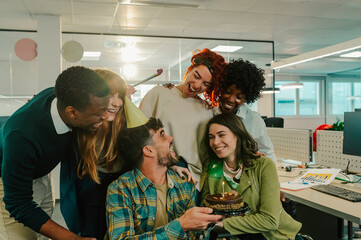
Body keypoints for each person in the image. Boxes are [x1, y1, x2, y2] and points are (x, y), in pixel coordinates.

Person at [61, 69, 195, 240]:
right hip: (91, 181)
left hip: (119, 175)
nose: (116, 103)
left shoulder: (123, 120)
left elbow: (150, 145)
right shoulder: (81, 125)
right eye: (110, 96)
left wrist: (172, 164)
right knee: (92, 232)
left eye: (120, 96)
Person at [0, 66, 110, 240]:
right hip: (7, 181)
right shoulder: (23, 137)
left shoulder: (61, 95)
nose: (106, 117)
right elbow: (18, 203)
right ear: (72, 112)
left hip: (40, 172)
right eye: (98, 113)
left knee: (42, 234)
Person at [105, 117, 223, 239]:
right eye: (162, 135)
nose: (170, 138)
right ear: (149, 150)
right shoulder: (121, 189)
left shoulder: (184, 183)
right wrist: (180, 226)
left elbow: (194, 237)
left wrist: (210, 220)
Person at [201, 113, 301, 240]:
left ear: (237, 134)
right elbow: (205, 207)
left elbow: (270, 220)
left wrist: (223, 223)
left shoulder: (263, 165)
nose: (215, 142)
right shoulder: (212, 169)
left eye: (221, 135)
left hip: (271, 236)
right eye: (211, 137)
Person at [140, 48, 227, 189]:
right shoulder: (159, 94)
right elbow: (140, 135)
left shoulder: (206, 109)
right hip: (163, 175)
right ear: (190, 69)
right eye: (197, 76)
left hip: (195, 181)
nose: (198, 86)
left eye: (206, 84)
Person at [214, 59, 276, 162]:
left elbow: (267, 152)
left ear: (246, 98)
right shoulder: (207, 113)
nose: (231, 99)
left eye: (239, 97)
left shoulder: (254, 120)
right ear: (221, 88)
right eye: (228, 92)